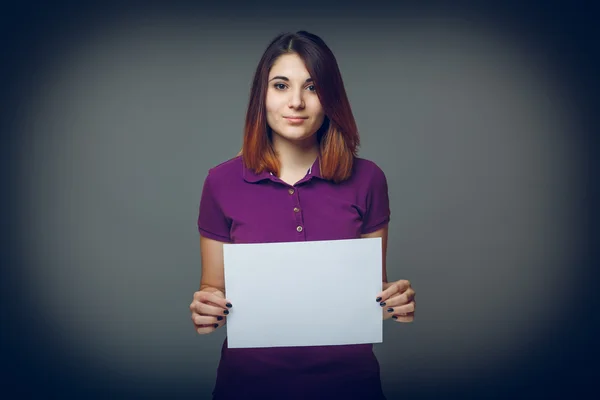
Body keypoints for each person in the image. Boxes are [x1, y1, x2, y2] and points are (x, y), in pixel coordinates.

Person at [189, 31, 416, 399]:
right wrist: (205, 308)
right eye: (281, 85)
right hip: (248, 385)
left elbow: (372, 292)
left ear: (330, 99)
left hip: (349, 384)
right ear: (261, 96)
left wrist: (395, 300)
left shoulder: (368, 178)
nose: (296, 102)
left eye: (312, 88)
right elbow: (212, 289)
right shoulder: (221, 182)